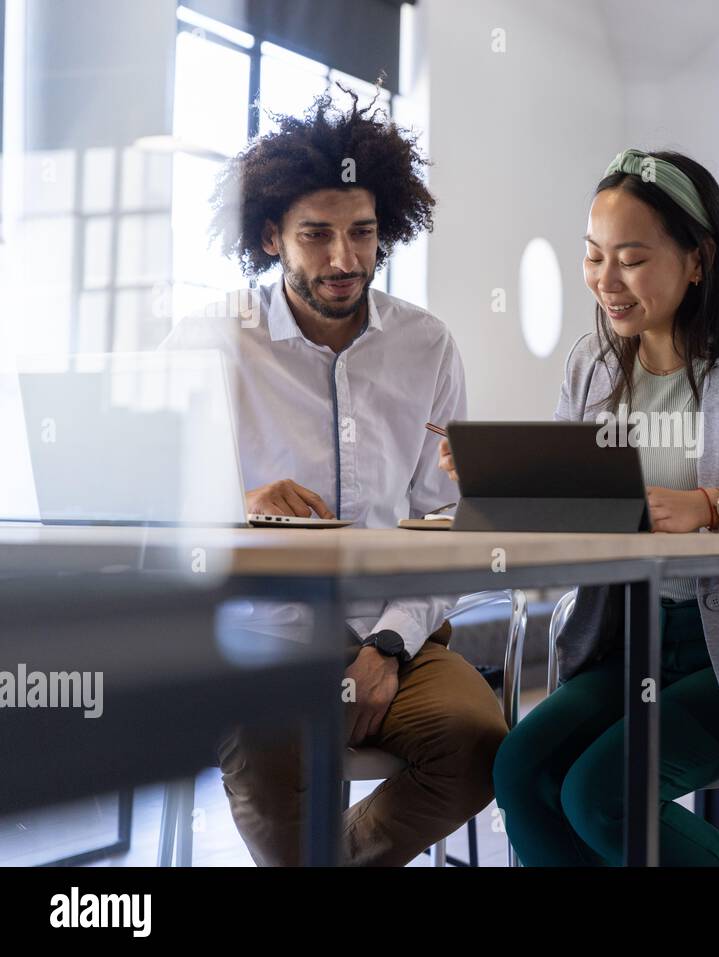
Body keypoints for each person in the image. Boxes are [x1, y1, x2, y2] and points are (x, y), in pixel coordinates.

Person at [443, 148, 719, 865]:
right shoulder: (592, 364)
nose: (605, 281)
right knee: (520, 769)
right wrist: (503, 481)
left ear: (698, 259)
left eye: (632, 260)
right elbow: (572, 503)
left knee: (600, 794)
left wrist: (717, 503)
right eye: (593, 257)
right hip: (628, 642)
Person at [162, 88, 507, 866]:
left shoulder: (427, 346)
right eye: (316, 235)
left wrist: (387, 645)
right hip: (258, 643)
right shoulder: (212, 340)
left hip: (395, 632)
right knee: (269, 767)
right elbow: (143, 504)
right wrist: (233, 503)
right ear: (270, 236)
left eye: (362, 233)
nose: (344, 260)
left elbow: (446, 523)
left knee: (479, 744)